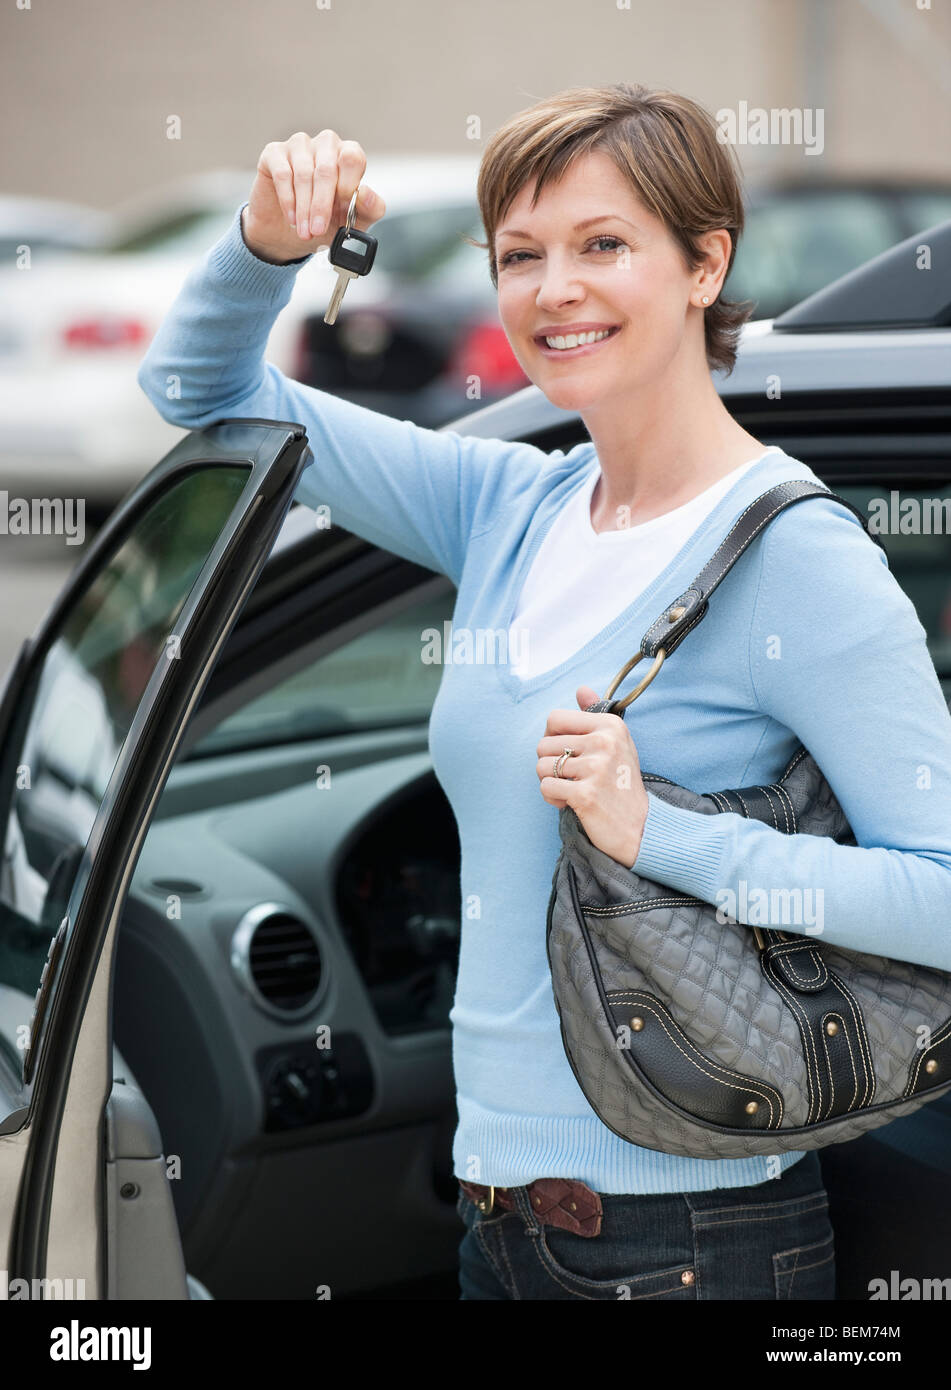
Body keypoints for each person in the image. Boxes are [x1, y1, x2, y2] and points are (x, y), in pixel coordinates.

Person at [136, 81, 951, 1301]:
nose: (552, 289)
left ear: (703, 262)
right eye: (520, 255)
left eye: (603, 244)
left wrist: (663, 835)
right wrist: (265, 242)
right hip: (505, 1226)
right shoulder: (512, 504)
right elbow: (204, 395)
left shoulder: (795, 554)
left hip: (693, 1246)